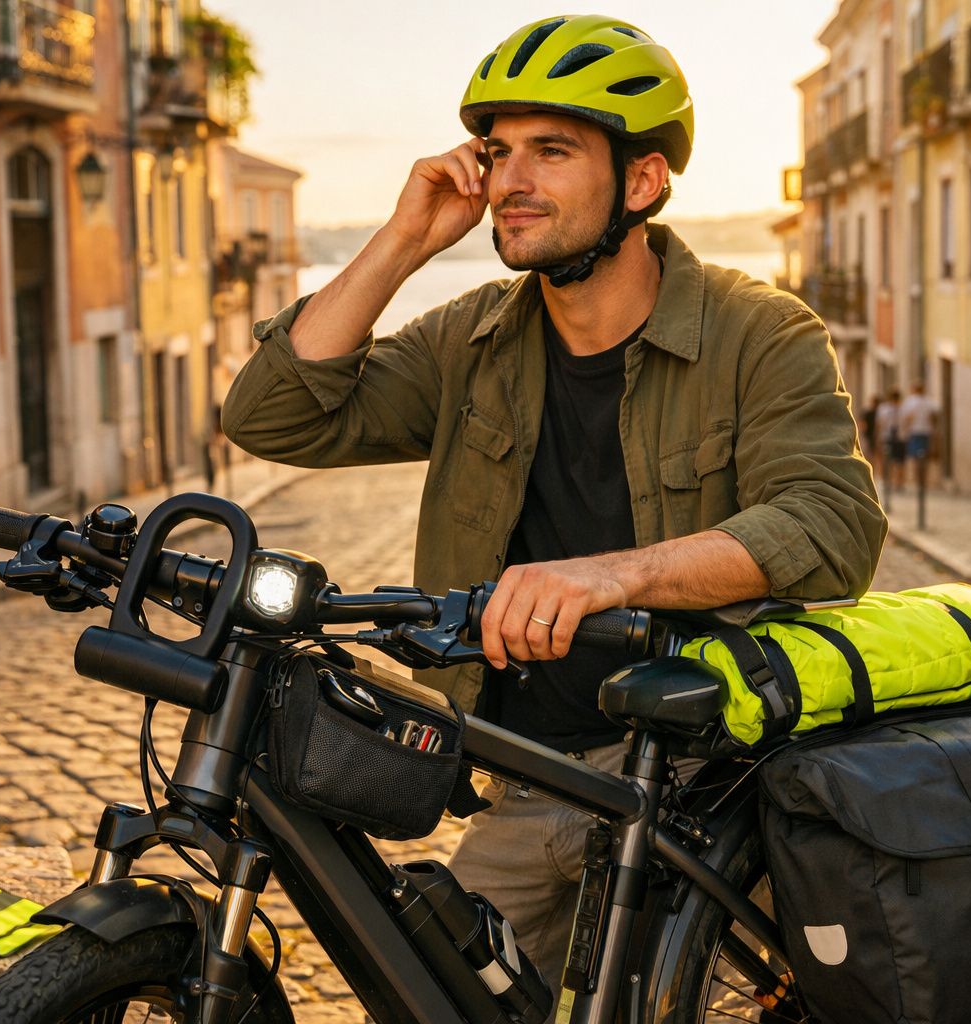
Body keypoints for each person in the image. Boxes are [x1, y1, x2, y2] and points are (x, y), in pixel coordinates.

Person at [222, 13, 884, 998]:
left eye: (552, 150)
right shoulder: (472, 339)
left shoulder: (761, 332)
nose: (508, 179)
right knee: (430, 992)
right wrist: (406, 237)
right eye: (498, 151)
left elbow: (832, 524)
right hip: (537, 776)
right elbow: (274, 415)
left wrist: (611, 575)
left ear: (643, 181)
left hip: (708, 775)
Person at [900, 381, 938, 482]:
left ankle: (917, 479)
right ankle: (924, 478)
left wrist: (905, 430)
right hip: (926, 431)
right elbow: (933, 417)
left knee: (915, 457)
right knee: (925, 456)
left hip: (914, 431)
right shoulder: (929, 401)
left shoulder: (910, 401)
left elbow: (907, 418)